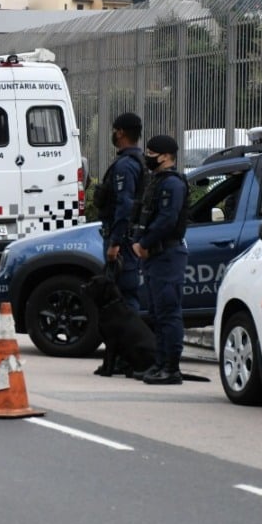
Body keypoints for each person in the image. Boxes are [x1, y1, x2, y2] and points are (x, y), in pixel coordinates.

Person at [131, 134, 189, 385]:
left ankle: (171, 368)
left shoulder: (173, 184)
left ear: (166, 157)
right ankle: (160, 363)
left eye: (152, 154)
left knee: (168, 313)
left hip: (167, 255)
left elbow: (167, 219)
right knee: (157, 313)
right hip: (155, 256)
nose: (147, 157)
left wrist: (144, 243)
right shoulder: (157, 181)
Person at [95, 112, 145, 311]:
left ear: (121, 132)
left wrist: (115, 242)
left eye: (114, 130)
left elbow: (125, 205)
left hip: (122, 241)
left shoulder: (125, 165)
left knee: (122, 295)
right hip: (128, 236)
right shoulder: (138, 161)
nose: (113, 134)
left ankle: (127, 332)